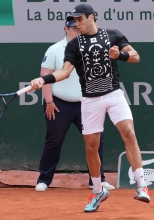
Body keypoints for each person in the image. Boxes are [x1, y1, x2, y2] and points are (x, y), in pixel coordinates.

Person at [30, 3, 151, 212]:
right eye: (73, 21)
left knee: (129, 133)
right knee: (91, 146)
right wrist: (43, 80)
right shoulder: (74, 45)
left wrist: (119, 55)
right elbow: (65, 72)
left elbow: (135, 56)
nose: (76, 24)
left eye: (79, 19)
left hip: (113, 94)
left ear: (91, 17)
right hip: (90, 100)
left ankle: (142, 186)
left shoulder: (113, 35)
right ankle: (98, 191)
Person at [35, 19, 115, 192]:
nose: (76, 30)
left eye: (78, 27)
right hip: (58, 104)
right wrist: (49, 101)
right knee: (54, 141)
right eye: (72, 28)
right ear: (65, 29)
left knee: (95, 142)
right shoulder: (55, 49)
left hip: (86, 104)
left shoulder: (89, 48)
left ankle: (97, 181)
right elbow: (45, 76)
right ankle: (44, 180)